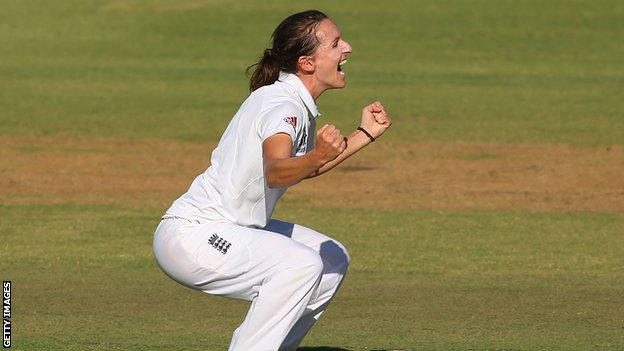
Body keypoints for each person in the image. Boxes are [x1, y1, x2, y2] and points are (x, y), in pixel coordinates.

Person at [153, 9, 391, 351]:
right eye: (336, 43)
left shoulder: (292, 101)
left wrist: (365, 134)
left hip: (232, 230)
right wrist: (317, 155)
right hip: (194, 236)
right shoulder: (284, 107)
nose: (347, 48)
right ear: (308, 63)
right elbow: (277, 171)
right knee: (301, 264)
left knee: (330, 260)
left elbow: (303, 167)